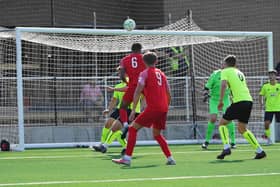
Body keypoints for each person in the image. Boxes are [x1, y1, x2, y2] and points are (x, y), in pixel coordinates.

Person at [112, 51, 176, 166]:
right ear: (156, 61)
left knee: (132, 129)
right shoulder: (161, 73)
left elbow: (137, 91)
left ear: (143, 62)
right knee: (157, 134)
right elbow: (168, 93)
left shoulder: (144, 74)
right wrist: (167, 106)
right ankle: (170, 158)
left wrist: (133, 110)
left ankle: (127, 158)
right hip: (163, 108)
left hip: (153, 108)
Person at [216, 55, 266, 159]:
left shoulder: (225, 71)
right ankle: (259, 151)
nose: (222, 65)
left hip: (239, 101)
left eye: (223, 63)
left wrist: (220, 101)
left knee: (222, 124)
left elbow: (223, 85)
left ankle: (226, 147)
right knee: (242, 128)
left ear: (226, 64)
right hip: (248, 101)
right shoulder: (239, 72)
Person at [92, 67, 141, 155]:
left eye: (120, 73)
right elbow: (114, 100)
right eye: (118, 73)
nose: (119, 75)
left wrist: (113, 89)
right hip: (120, 108)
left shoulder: (132, 82)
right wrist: (108, 109)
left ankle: (105, 146)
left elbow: (129, 89)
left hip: (131, 109)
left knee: (116, 128)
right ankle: (103, 144)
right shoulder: (118, 85)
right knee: (108, 124)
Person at [202, 68, 236, 149]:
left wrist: (234, 98)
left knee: (229, 119)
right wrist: (205, 94)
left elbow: (233, 88)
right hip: (214, 99)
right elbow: (207, 87)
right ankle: (206, 141)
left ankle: (233, 142)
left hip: (225, 99)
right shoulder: (215, 74)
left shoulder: (231, 75)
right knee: (213, 118)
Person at [118, 43, 146, 138]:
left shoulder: (124, 59)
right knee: (151, 106)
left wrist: (126, 83)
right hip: (144, 86)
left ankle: (125, 124)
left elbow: (122, 75)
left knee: (123, 107)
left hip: (133, 86)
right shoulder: (144, 58)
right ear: (140, 49)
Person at [259, 70, 280, 145]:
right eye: (270, 75)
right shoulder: (265, 86)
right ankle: (269, 140)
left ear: (275, 76)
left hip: (278, 108)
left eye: (273, 75)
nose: (271, 76)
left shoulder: (279, 85)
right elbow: (261, 95)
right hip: (269, 108)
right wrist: (261, 103)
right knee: (266, 124)